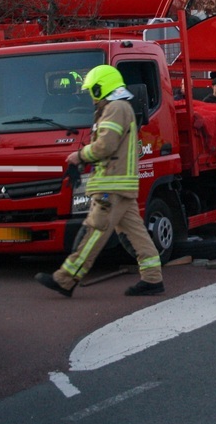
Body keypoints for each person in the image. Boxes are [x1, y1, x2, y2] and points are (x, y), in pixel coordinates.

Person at [36, 64, 164, 298]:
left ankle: (65, 278)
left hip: (110, 185)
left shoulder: (115, 108)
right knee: (137, 234)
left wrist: (80, 155)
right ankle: (153, 279)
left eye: (91, 90)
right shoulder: (123, 106)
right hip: (121, 184)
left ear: (99, 87)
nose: (90, 96)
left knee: (95, 231)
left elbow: (106, 145)